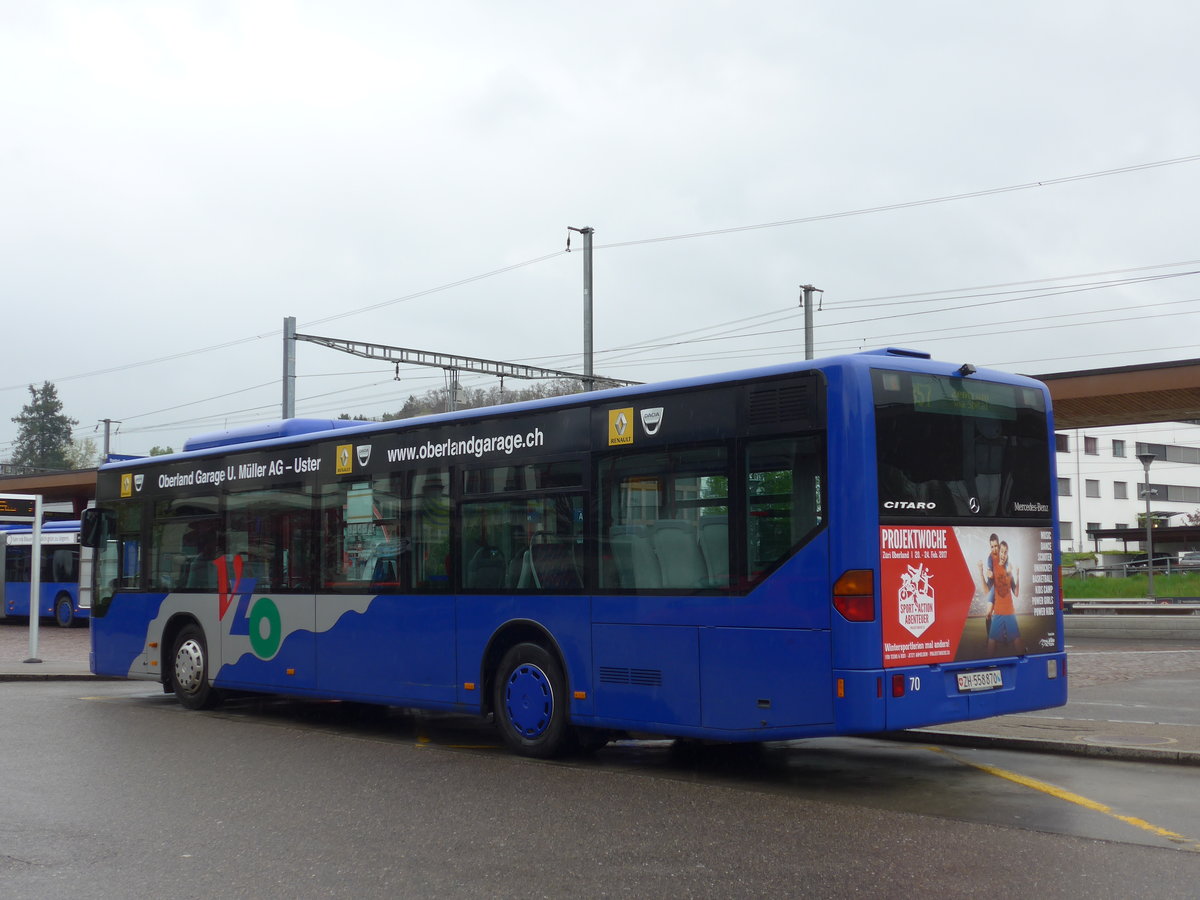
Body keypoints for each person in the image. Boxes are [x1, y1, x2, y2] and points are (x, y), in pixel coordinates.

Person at [986, 540, 1025, 655]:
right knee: (988, 615)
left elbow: (1016, 593)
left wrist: (1017, 575)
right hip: (997, 604)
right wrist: (987, 572)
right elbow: (992, 577)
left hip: (1008, 610)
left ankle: (1020, 657)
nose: (1003, 554)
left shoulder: (1009, 571)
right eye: (1001, 552)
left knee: (1016, 641)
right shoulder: (993, 565)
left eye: (1005, 552)